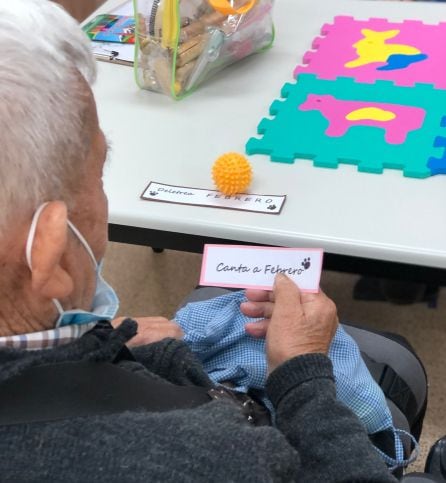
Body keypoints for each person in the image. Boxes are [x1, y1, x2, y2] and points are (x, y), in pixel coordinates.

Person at [0, 0, 419, 481]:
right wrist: (303, 374)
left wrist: (142, 354)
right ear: (49, 255)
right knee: (395, 362)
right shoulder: (213, 457)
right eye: (99, 172)